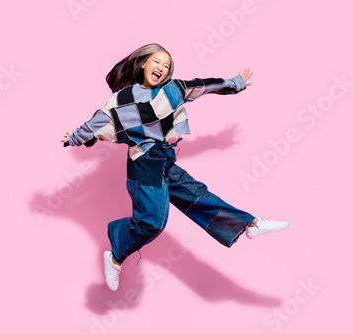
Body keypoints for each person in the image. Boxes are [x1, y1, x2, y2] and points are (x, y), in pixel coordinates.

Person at [62, 43, 289, 291]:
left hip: (163, 159)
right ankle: (115, 256)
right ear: (143, 63)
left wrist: (236, 83)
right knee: (153, 223)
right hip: (143, 165)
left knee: (199, 196)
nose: (161, 67)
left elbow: (204, 85)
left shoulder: (173, 90)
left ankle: (251, 224)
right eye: (156, 61)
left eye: (166, 65)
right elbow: (96, 123)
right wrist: (73, 137)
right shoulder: (123, 100)